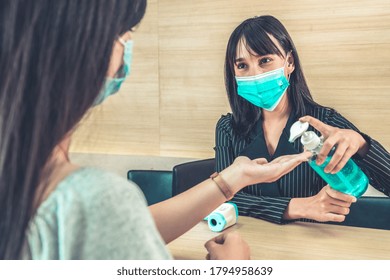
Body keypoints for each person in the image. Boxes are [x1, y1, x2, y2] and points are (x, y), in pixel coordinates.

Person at [0, 1, 310, 260]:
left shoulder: (38, 188)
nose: (127, 45)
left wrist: (233, 177)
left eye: (265, 61)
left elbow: (120, 228)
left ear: (289, 63)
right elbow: (106, 221)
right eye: (125, 32)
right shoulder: (91, 201)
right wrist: (232, 270)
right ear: (85, 47)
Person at [215, 15, 390, 225]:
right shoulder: (228, 128)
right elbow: (222, 200)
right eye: (242, 66)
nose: (255, 74)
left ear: (289, 62)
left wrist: (361, 143)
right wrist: (296, 207)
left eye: (265, 60)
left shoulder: (326, 122)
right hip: (248, 245)